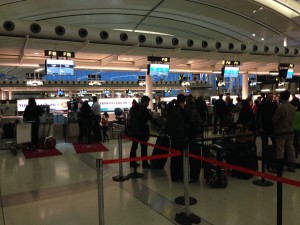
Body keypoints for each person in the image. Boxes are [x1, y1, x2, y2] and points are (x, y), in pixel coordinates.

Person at [129, 95, 161, 168]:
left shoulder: (133, 108)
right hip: (142, 130)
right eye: (148, 102)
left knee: (134, 147)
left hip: (134, 130)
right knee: (144, 148)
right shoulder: (144, 109)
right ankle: (145, 163)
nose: (148, 104)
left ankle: (132, 162)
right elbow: (150, 119)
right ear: (145, 102)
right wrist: (159, 125)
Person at [272, 90, 297, 172]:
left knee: (280, 149)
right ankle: (292, 165)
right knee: (291, 148)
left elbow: (274, 120)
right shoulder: (293, 108)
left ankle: (279, 167)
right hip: (290, 131)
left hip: (281, 131)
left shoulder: (280, 107)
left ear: (281, 98)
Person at [165, 94, 188, 181]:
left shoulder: (171, 108)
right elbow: (187, 122)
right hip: (181, 136)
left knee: (174, 157)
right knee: (181, 157)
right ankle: (180, 175)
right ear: (183, 101)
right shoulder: (182, 110)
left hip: (173, 136)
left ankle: (174, 176)